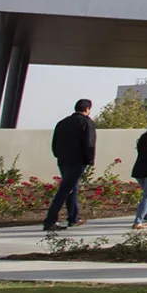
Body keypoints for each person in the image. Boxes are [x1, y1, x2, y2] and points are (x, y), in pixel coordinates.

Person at [43, 99, 96, 231]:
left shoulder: (62, 123)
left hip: (63, 160)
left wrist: (58, 155)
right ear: (87, 109)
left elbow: (55, 143)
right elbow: (89, 143)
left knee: (71, 187)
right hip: (78, 160)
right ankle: (50, 220)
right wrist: (90, 160)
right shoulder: (87, 123)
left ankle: (73, 218)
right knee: (65, 189)